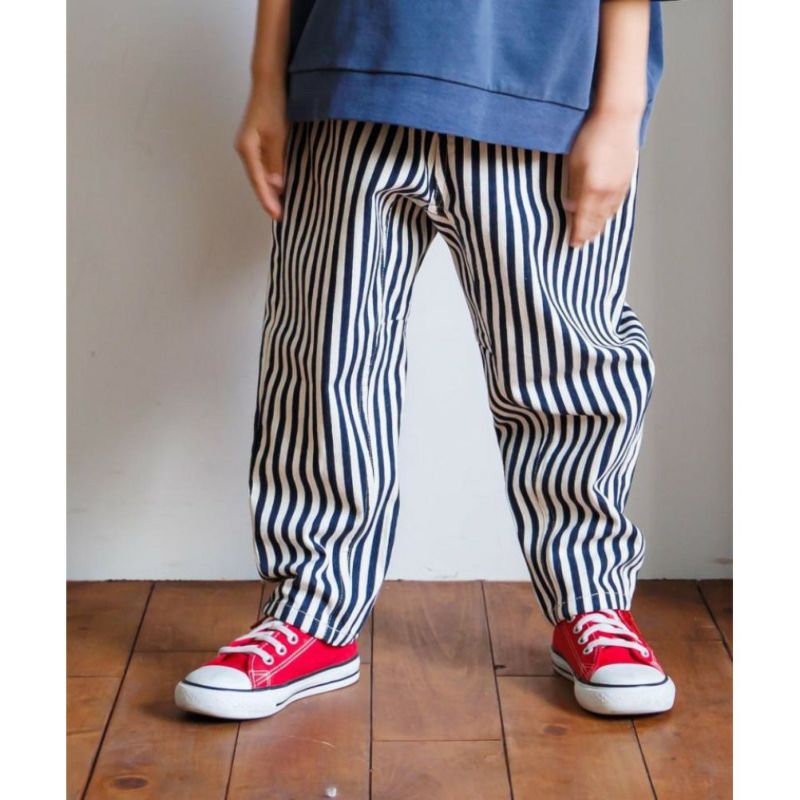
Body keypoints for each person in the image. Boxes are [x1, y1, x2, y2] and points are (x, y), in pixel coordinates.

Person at [175, 0, 679, 721]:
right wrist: (266, 79)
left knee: (567, 364)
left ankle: (592, 602)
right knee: (326, 360)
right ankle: (310, 612)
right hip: (350, 72)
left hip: (543, 92)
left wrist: (620, 108)